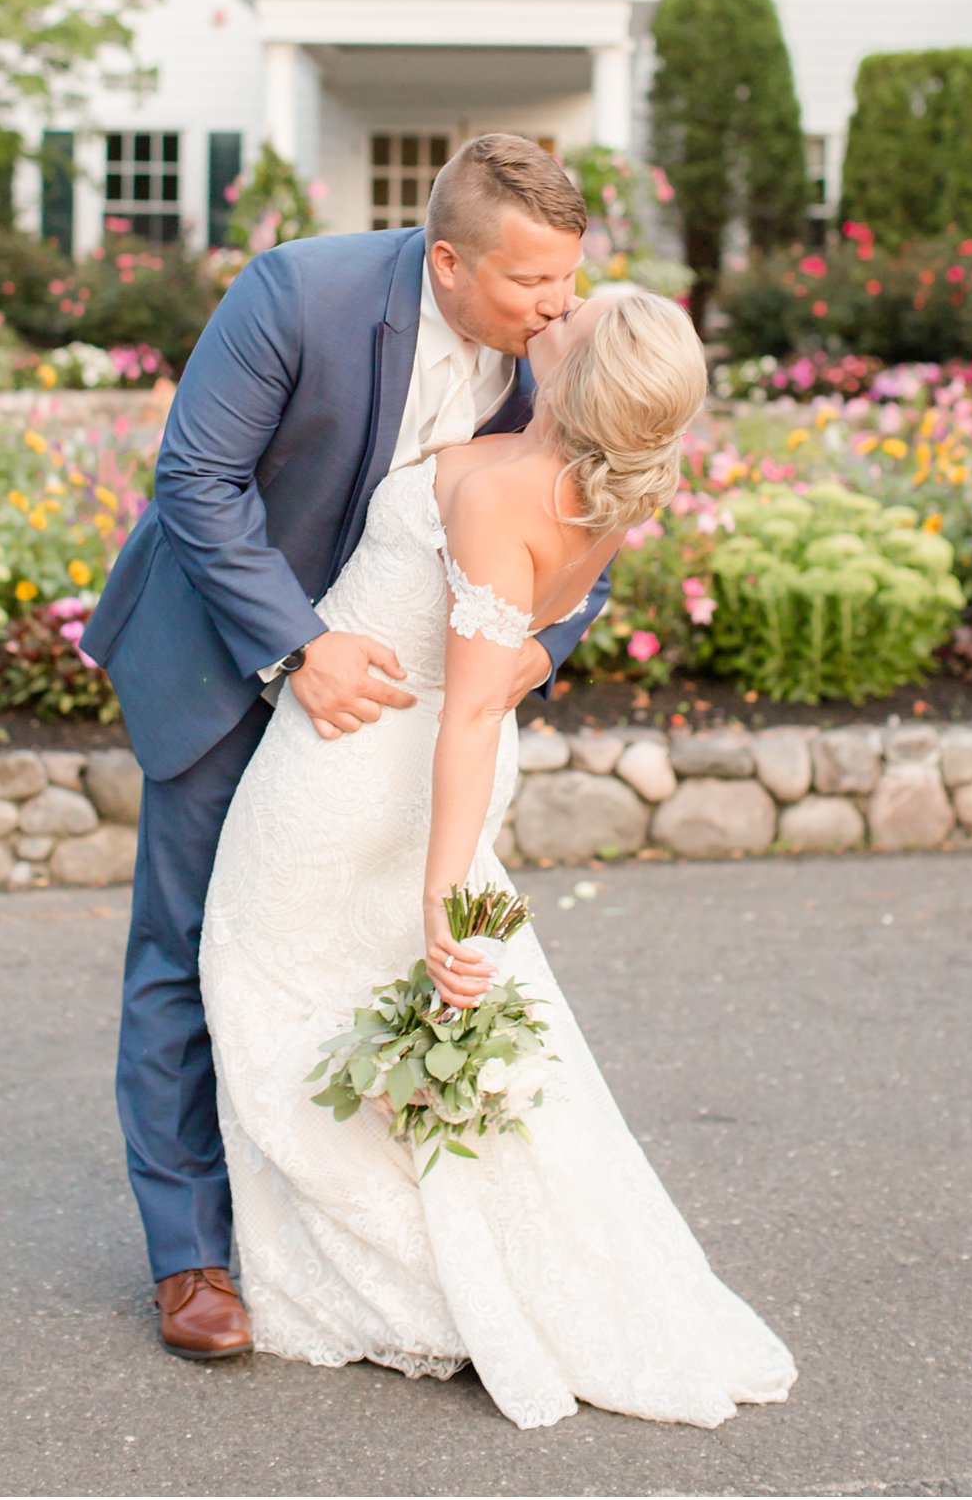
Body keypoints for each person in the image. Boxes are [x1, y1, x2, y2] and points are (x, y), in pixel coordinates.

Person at [198, 275, 799, 1429]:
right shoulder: (592, 482)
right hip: (401, 763)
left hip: (371, 778)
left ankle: (405, 1285)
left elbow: (468, 711)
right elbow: (520, 641)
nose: (554, 308)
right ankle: (398, 1255)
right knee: (330, 1003)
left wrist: (446, 893)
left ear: (573, 378)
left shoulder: (501, 489)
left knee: (272, 987)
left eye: (572, 314)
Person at [80, 135, 610, 1362]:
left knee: (366, 948)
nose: (559, 304)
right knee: (186, 947)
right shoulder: (296, 292)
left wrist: (545, 645)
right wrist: (297, 645)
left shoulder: (557, 347)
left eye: (568, 278)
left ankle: (344, 1233)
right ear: (446, 261)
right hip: (231, 655)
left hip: (406, 702)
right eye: (533, 283)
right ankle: (191, 1259)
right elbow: (196, 478)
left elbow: (598, 491)